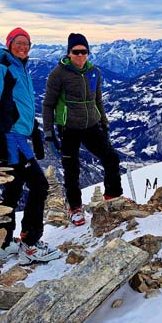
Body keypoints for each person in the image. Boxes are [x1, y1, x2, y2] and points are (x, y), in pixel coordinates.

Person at [0, 27, 59, 264]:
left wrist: (34, 131)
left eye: (27, 43)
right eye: (18, 43)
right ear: (9, 44)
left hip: (19, 136)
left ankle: (4, 243)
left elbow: (21, 106)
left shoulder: (21, 68)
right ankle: (30, 243)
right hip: (10, 139)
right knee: (40, 185)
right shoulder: (1, 69)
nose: (23, 47)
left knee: (13, 190)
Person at [42, 33, 123, 226]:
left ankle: (113, 196)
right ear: (69, 52)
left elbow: (98, 99)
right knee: (72, 169)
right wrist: (49, 133)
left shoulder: (93, 72)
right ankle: (75, 208)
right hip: (68, 128)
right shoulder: (58, 74)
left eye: (84, 51)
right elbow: (48, 104)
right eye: (76, 51)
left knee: (111, 157)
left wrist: (104, 121)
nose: (80, 55)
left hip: (92, 125)